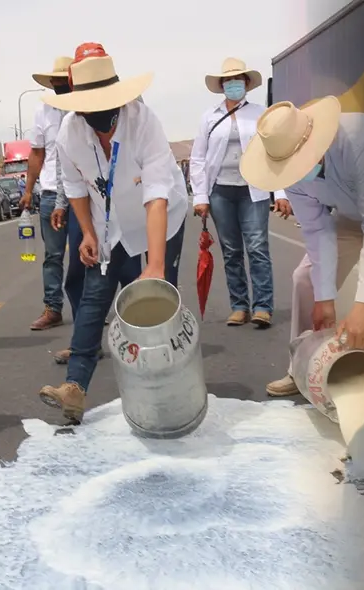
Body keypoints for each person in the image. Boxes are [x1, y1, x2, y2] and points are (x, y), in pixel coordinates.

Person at [240, 99, 364, 412]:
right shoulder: (289, 171)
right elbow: (317, 230)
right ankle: (303, 366)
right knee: (305, 278)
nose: (296, 173)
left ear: (314, 142)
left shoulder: (362, 142)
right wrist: (325, 298)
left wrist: (363, 307)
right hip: (353, 210)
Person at [37, 45, 188, 423]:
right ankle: (74, 388)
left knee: (154, 302)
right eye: (90, 107)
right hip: (109, 226)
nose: (99, 116)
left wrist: (154, 265)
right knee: (93, 298)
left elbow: (156, 194)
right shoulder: (70, 132)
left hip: (160, 220)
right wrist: (87, 233)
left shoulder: (143, 121)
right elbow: (75, 188)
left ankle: (165, 391)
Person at [190, 58, 291, 328]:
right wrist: (200, 197)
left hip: (252, 190)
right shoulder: (209, 117)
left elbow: (275, 153)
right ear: (222, 85)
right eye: (228, 80)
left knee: (257, 247)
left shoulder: (261, 113)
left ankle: (262, 306)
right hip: (220, 191)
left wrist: (280, 192)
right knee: (231, 250)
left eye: (238, 80)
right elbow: (198, 158)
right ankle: (239, 305)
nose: (233, 84)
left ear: (247, 83)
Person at [21, 56, 75, 332]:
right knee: (53, 255)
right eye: (54, 82)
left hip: (82, 193)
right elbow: (37, 153)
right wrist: (29, 190)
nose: (57, 85)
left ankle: (87, 307)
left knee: (84, 253)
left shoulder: (84, 106)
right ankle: (53, 308)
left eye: (62, 81)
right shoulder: (44, 111)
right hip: (52, 192)